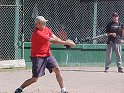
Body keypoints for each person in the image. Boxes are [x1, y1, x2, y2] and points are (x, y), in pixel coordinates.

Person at [14, 16, 75, 93]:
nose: (45, 24)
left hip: (48, 55)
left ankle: (63, 90)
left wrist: (65, 44)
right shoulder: (37, 33)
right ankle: (20, 88)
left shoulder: (46, 29)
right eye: (43, 23)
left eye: (45, 22)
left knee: (57, 70)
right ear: (37, 24)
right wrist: (67, 42)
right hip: (38, 57)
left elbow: (55, 37)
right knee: (34, 79)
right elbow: (53, 41)